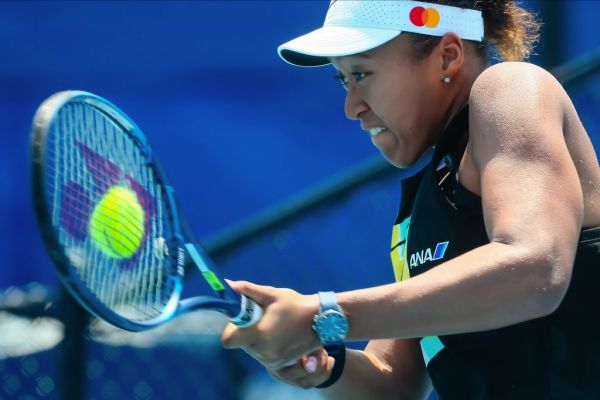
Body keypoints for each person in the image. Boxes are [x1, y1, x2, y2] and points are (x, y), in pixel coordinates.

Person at [221, 1, 600, 398]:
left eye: (361, 73)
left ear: (447, 57)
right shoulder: (421, 213)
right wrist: (323, 365)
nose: (352, 108)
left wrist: (324, 314)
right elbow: (394, 385)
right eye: (342, 80)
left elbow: (535, 267)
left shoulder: (510, 87)